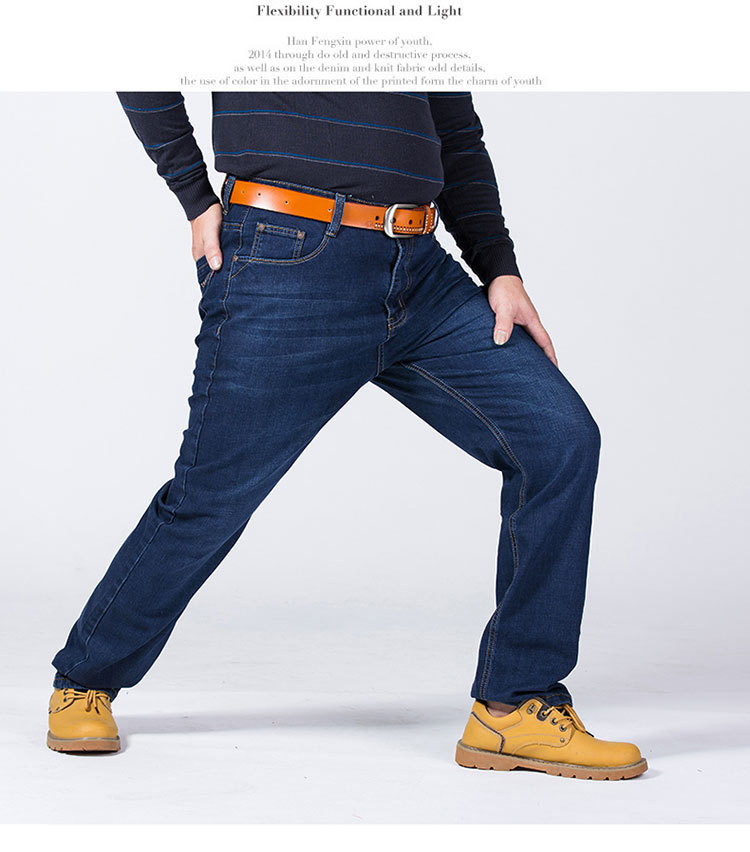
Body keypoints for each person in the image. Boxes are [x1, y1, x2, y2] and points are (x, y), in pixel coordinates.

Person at [46, 91, 647, 780]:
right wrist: (193, 193)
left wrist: (499, 267)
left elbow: (454, 130)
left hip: (422, 274)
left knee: (559, 440)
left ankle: (516, 705)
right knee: (210, 498)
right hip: (286, 260)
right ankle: (84, 679)